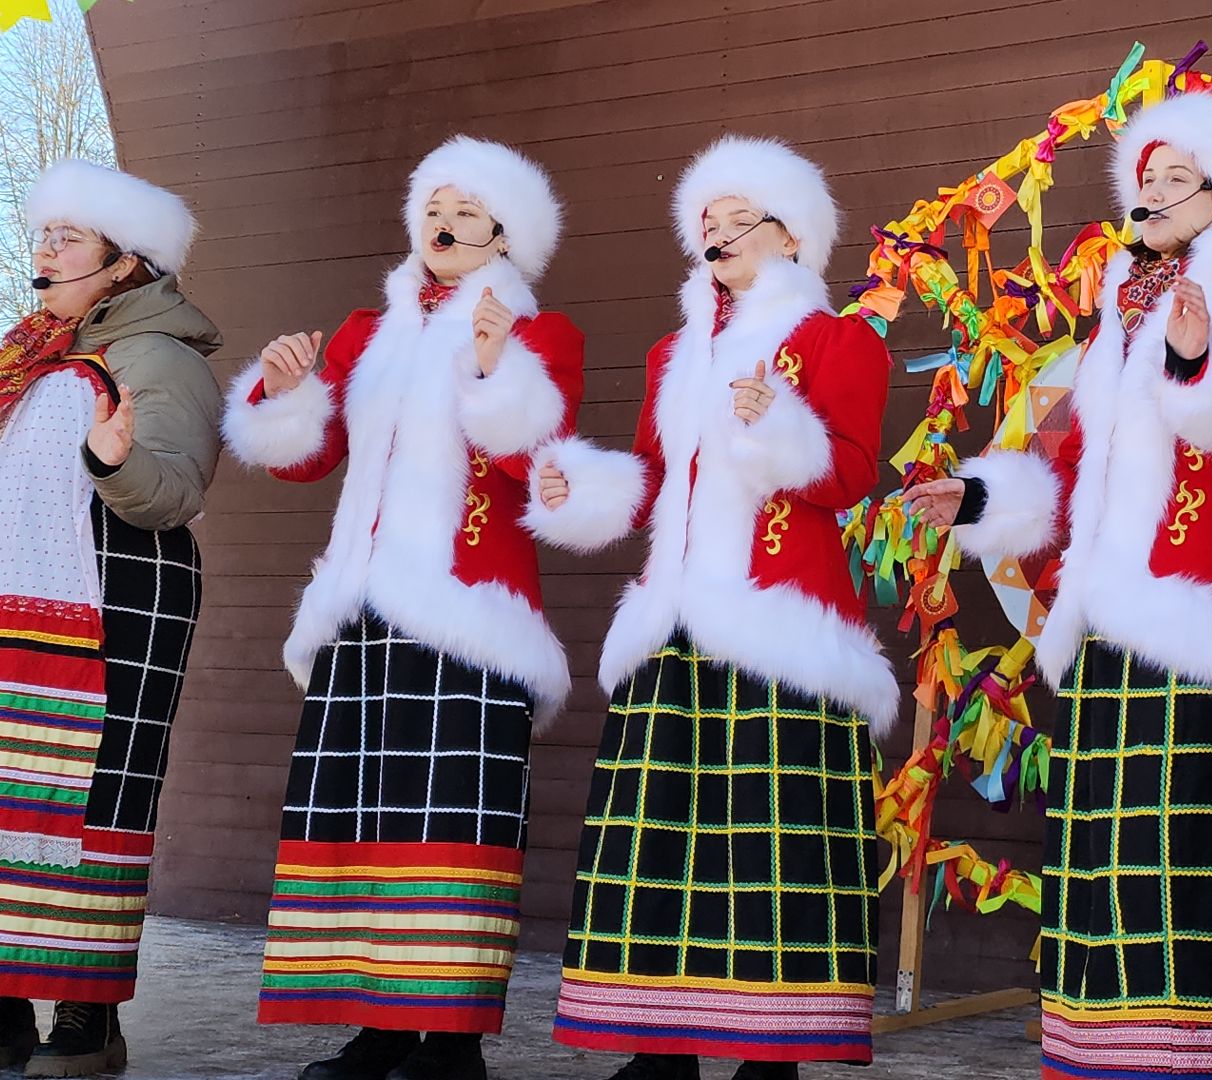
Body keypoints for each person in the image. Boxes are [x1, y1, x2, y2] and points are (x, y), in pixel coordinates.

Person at [907, 90, 1212, 1080]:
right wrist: (977, 497)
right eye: (1147, 180)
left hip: (1200, 623)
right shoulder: (1118, 321)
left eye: (1177, 179)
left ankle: (1194, 1064)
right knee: (1098, 879)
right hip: (1102, 638)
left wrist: (1195, 358)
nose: (1154, 196)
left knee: (1178, 873)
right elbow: (1068, 476)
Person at [222, 136, 593, 1080]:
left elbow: (531, 463)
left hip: (470, 613)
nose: (445, 223)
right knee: (364, 824)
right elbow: (306, 455)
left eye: (469, 212)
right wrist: (283, 388)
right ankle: (378, 1028)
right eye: (436, 205)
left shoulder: (540, 334)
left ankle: (452, 1044)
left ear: (506, 234)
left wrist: (491, 368)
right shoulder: (365, 329)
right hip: (362, 613)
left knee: (454, 828)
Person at [541, 135, 892, 1080]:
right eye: (709, 222)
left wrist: (777, 426)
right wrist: (583, 488)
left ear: (795, 238)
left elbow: (852, 472)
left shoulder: (838, 340)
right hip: (677, 620)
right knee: (664, 847)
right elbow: (657, 480)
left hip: (783, 625)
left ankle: (768, 1054)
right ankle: (660, 1047)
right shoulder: (672, 352)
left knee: (767, 856)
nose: (722, 236)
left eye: (745, 221)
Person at [0, 160, 220, 1078]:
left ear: (125, 263)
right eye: (44, 233)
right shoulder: (28, 351)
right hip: (20, 605)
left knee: (98, 798)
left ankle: (87, 1018)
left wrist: (112, 459)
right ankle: (7, 1003)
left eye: (68, 236)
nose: (45, 249)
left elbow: (171, 492)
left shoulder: (156, 355)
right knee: (9, 801)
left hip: (119, 597)